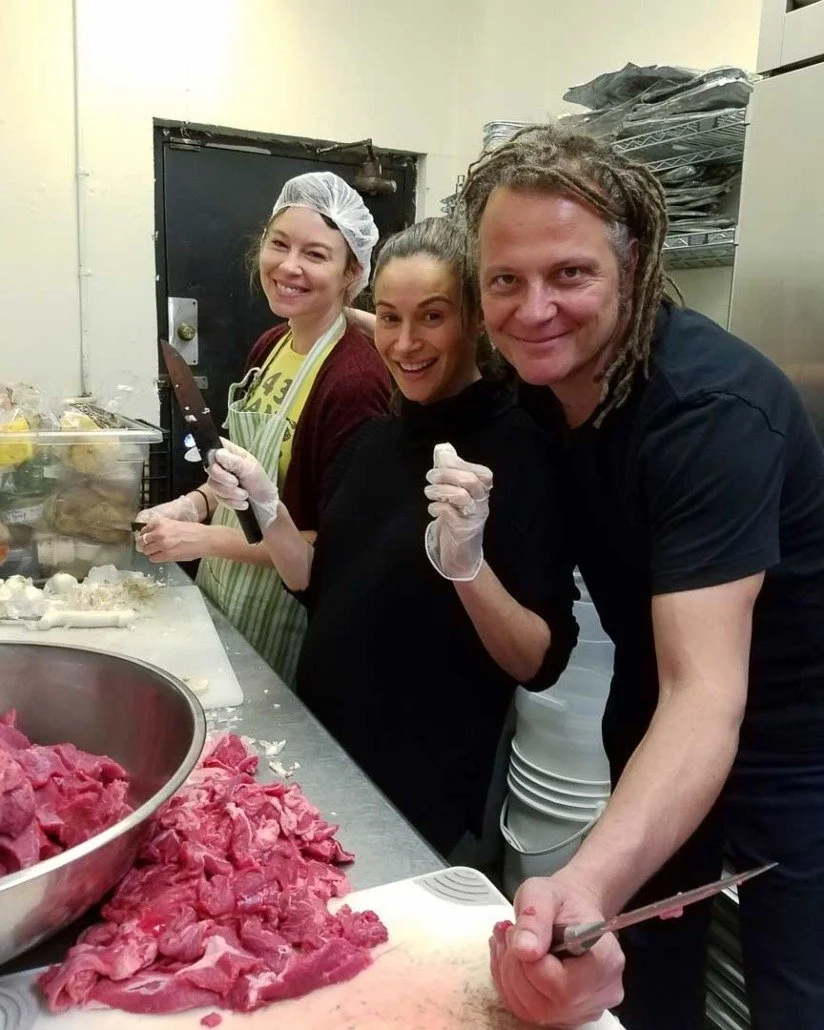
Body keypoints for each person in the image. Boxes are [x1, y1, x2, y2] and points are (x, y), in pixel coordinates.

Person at [456, 123, 824, 1028]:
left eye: (569, 274)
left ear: (635, 267)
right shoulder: (536, 387)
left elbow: (708, 694)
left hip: (794, 731)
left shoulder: (707, 414)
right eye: (506, 279)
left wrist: (579, 879)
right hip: (650, 691)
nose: (533, 308)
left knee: (797, 988)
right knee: (642, 963)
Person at [205, 217, 578, 858]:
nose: (406, 343)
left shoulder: (522, 453)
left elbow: (536, 661)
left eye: (433, 317)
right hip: (321, 759)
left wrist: (468, 566)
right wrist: (268, 508)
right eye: (390, 316)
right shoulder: (375, 440)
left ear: (476, 320)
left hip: (415, 795)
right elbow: (314, 587)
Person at [136, 172, 391, 685]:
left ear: (352, 272)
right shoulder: (271, 345)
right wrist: (192, 505)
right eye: (279, 244)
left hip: (289, 618)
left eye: (316, 254)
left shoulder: (355, 380)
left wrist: (202, 539)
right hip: (226, 592)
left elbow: (330, 550)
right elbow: (238, 468)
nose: (288, 266)